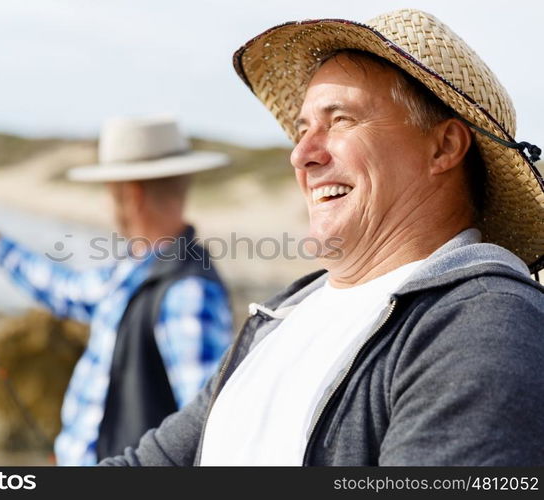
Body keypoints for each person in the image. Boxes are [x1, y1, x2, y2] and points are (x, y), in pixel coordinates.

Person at [99, 9, 544, 466]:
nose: (302, 155)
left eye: (341, 120)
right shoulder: (285, 313)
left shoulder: (482, 322)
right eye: (302, 129)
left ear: (444, 147)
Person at [0, 116, 234, 465]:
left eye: (109, 194)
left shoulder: (187, 293)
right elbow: (66, 290)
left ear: (131, 196)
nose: (106, 206)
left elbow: (211, 429)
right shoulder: (132, 270)